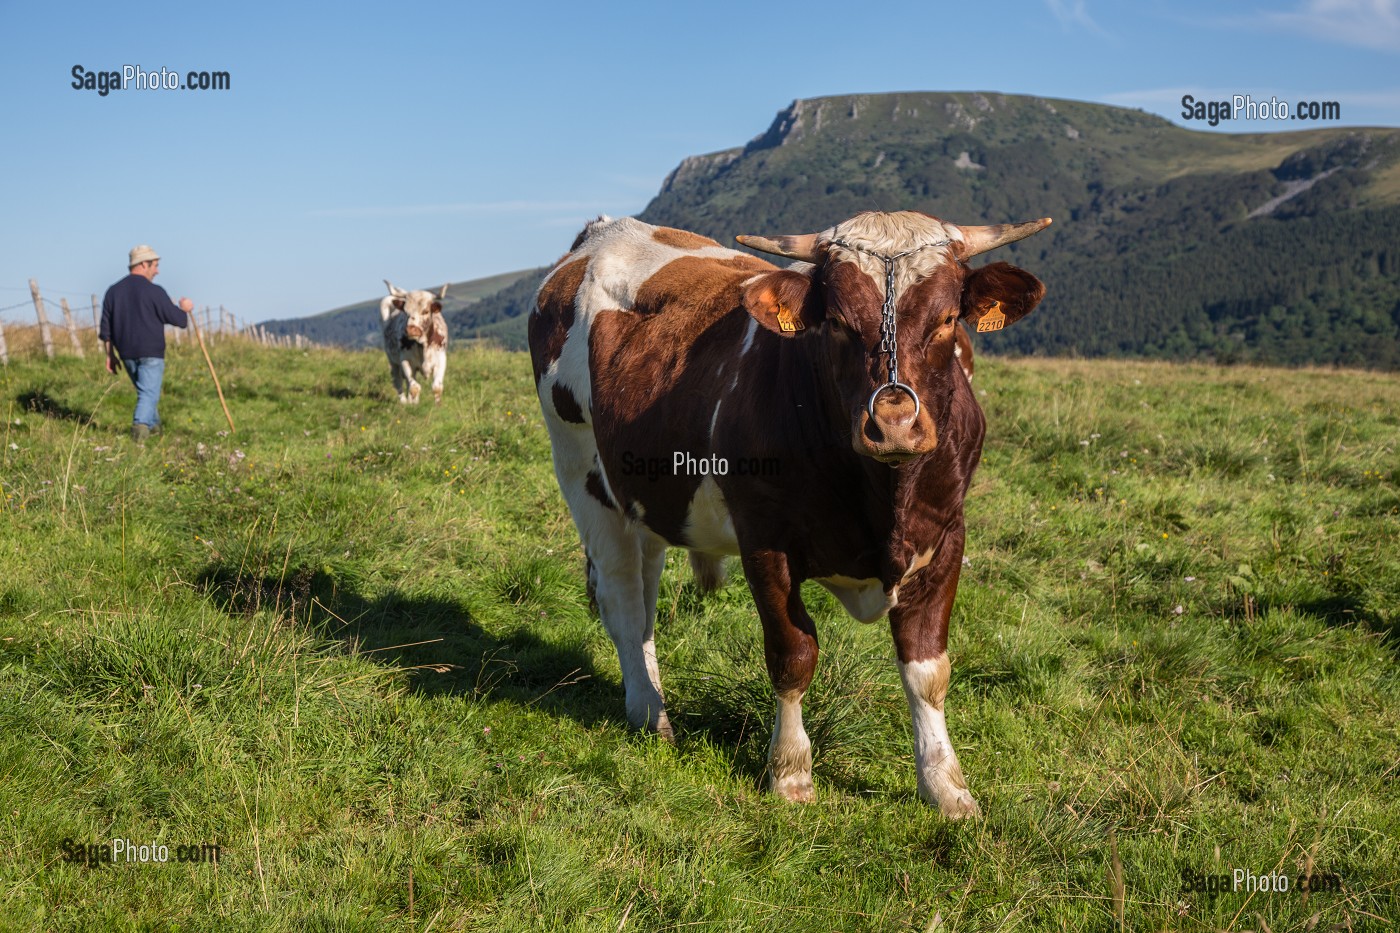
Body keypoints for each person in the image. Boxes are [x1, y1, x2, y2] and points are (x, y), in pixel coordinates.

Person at [99, 245, 194, 443]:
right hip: (151, 353)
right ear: (144, 264)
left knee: (146, 393)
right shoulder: (154, 291)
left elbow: (106, 329)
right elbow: (180, 320)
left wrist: (110, 355)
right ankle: (139, 436)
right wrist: (184, 308)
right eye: (155, 265)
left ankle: (157, 433)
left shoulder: (113, 292)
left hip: (125, 353)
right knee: (148, 393)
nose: (157, 271)